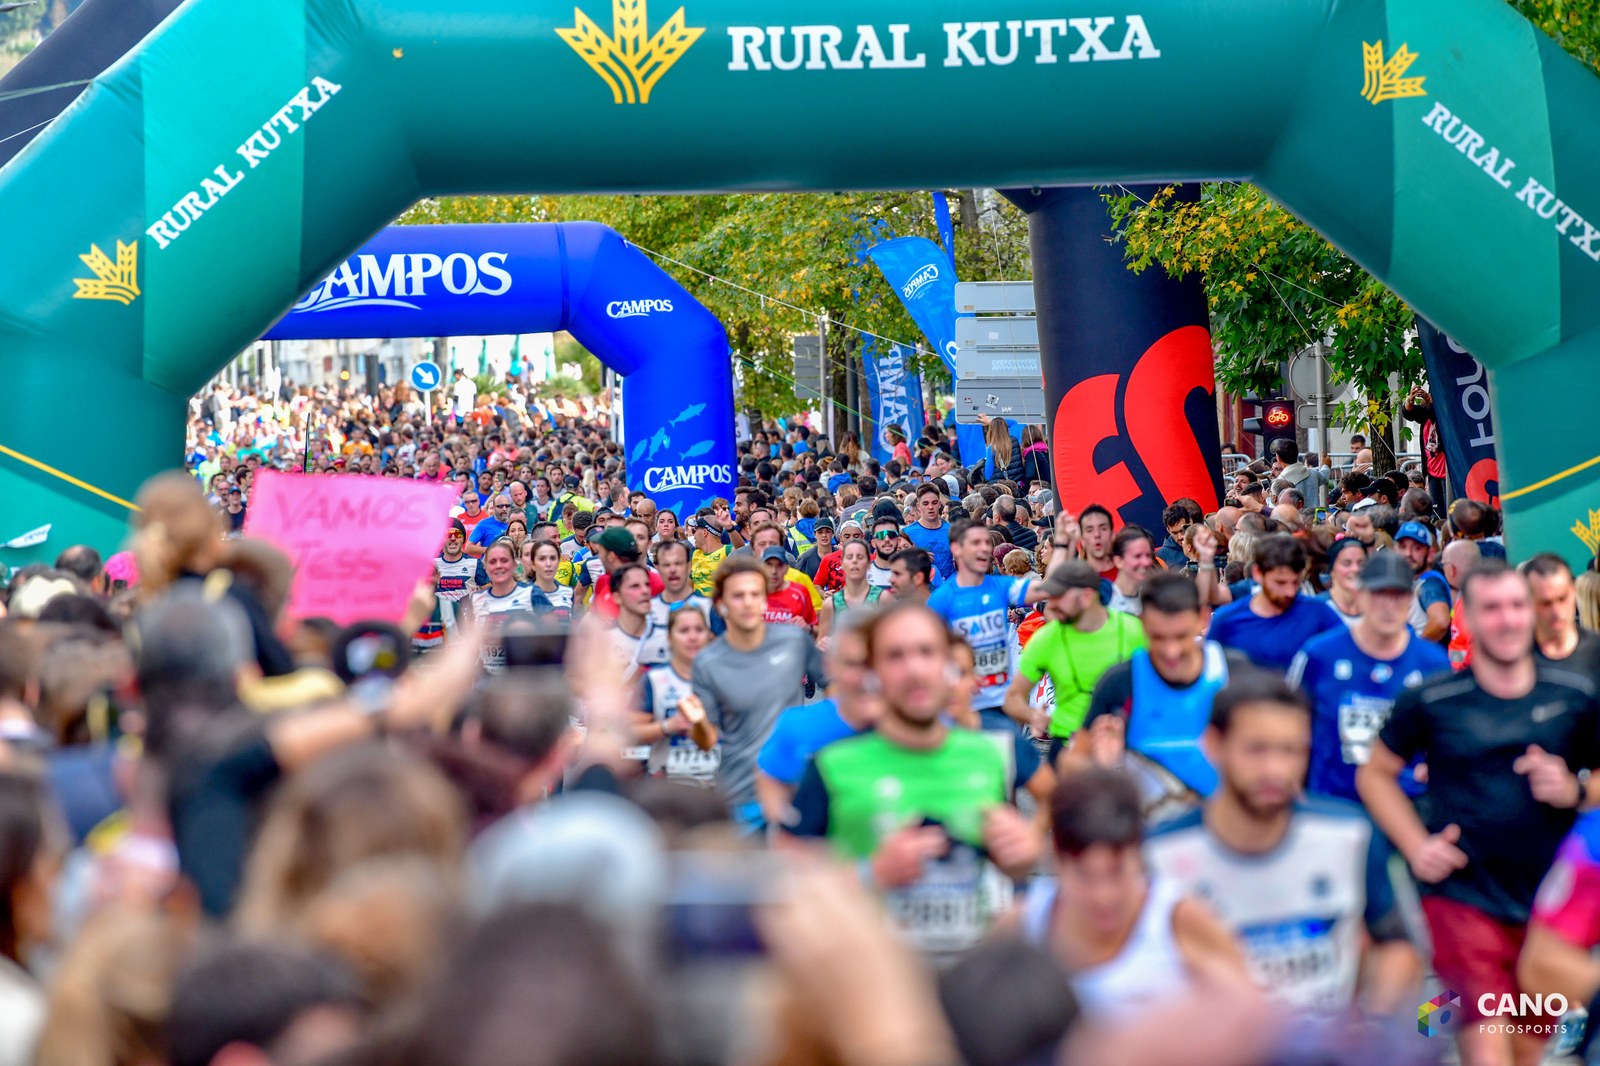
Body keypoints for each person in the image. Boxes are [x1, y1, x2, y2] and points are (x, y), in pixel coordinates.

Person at [1359, 561, 1600, 1066]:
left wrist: (1575, 790)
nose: (1508, 620)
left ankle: (1431, 1024)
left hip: (1545, 910)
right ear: (1469, 617)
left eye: (1517, 606)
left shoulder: (1572, 696)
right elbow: (1375, 774)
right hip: (1462, 897)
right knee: (1488, 1052)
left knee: (1524, 1051)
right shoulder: (1434, 699)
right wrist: (1415, 845)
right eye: (1492, 609)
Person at [1145, 673, 1421, 1013]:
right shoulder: (1160, 857)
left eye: (1291, 751)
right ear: (1214, 745)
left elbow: (1397, 943)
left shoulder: (1351, 836)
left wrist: (1372, 1025)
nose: (1275, 769)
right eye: (1257, 749)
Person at [785, 603, 1043, 961]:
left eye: (927, 652)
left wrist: (1021, 852)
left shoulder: (986, 756)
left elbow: (1002, 876)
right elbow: (785, 892)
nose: (914, 670)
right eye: (895, 656)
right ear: (873, 672)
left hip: (969, 990)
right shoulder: (833, 765)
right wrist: (871, 874)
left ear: (949, 668)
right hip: (874, 991)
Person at [1014, 769, 1253, 1021]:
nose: (1102, 896)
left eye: (1116, 872)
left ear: (1139, 852)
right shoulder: (1023, 924)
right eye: (1084, 875)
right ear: (1057, 861)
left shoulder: (1179, 919)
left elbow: (1252, 1021)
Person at [1069, 574, 1247, 813]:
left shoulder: (1233, 672)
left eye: (1181, 636)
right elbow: (1073, 763)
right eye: (1158, 638)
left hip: (1224, 831)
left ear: (1203, 618)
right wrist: (1101, 768)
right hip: (1149, 836)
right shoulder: (1120, 681)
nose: (1170, 652)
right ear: (1142, 623)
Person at [1288, 551, 1450, 804]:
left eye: (1397, 596)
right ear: (1360, 596)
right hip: (1334, 806)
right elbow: (1290, 727)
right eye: (1378, 595)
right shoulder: (1318, 655)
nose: (1388, 606)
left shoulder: (1433, 663)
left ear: (1409, 599)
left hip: (1406, 806)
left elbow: (1449, 737)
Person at [693, 555, 826, 833]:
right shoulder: (708, 663)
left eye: (755, 594)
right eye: (738, 595)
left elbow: (836, 689)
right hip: (740, 794)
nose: (748, 602)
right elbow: (708, 740)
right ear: (721, 604)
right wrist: (695, 721)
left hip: (794, 790)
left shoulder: (794, 642)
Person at [927, 519, 1056, 733]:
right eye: (976, 543)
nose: (984, 548)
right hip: (964, 709)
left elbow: (1049, 589)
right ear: (956, 549)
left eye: (987, 543)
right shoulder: (941, 599)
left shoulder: (1000, 586)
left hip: (1001, 704)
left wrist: (1061, 550)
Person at [1006, 561, 1144, 761]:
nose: (1050, 605)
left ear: (1087, 597)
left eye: (1058, 597)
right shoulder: (1047, 638)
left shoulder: (1133, 630)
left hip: (1126, 744)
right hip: (1068, 742)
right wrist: (1032, 715)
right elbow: (1012, 698)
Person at [756, 618, 879, 824]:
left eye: (873, 663)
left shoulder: (923, 727)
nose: (865, 677)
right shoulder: (797, 726)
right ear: (830, 666)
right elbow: (770, 785)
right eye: (853, 664)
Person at [1206, 535, 1343, 673]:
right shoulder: (1228, 620)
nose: (1290, 592)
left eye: (1296, 582)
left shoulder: (1319, 613)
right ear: (1257, 573)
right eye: (1280, 582)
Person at [633, 604, 719, 784]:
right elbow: (631, 733)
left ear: (709, 635)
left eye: (699, 630)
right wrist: (668, 726)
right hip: (668, 786)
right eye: (684, 631)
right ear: (670, 637)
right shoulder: (654, 680)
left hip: (716, 785)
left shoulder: (723, 678)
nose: (693, 637)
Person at [469, 539, 551, 672]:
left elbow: (553, 637)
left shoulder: (532, 593)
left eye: (504, 560)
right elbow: (471, 644)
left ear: (514, 564)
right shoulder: (476, 599)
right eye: (492, 562)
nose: (498, 565)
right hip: (488, 680)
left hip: (524, 677)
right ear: (485, 567)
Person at [1526, 552, 1600, 677]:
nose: (1557, 611)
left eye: (1562, 599)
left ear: (1573, 592)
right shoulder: (1515, 659)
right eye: (1546, 603)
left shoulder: (1596, 652)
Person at [415, 519, 477, 653]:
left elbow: (486, 595)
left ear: (463, 539)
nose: (453, 539)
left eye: (457, 534)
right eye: (448, 534)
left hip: (465, 625)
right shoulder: (431, 563)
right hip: (436, 626)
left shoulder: (476, 564)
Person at [649, 538, 721, 636]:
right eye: (666, 565)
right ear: (657, 567)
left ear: (688, 565)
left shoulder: (709, 606)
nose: (673, 570)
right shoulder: (648, 609)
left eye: (678, 563)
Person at [1395, 521, 1451, 644]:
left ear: (1430, 554)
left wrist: (1413, 650)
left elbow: (1440, 622)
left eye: (1417, 548)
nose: (1408, 554)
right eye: (1402, 547)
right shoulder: (1414, 581)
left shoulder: (1430, 585)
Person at [821, 539, 884, 640]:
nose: (854, 561)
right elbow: (821, 644)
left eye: (860, 557)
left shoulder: (883, 598)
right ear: (842, 564)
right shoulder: (830, 604)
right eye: (849, 557)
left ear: (869, 563)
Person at [761, 546, 818, 632]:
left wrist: (808, 628)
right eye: (769, 565)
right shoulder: (751, 592)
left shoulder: (799, 592)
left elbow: (819, 631)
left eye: (779, 565)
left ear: (786, 568)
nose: (774, 571)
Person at [904, 483, 955, 579]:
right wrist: (917, 558)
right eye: (926, 503)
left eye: (934, 503)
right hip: (922, 588)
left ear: (940, 504)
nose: (930, 507)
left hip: (949, 588)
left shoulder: (952, 530)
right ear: (918, 506)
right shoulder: (907, 533)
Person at [1105, 526, 1156, 616]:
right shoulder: (1106, 605)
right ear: (1118, 561)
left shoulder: (1153, 598)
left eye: (1148, 555)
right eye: (1137, 556)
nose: (1146, 562)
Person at [1317, 537, 1366, 626]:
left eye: (1361, 563)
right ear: (1332, 570)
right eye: (1346, 563)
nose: (1355, 569)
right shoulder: (1318, 608)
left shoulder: (1376, 607)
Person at [526, 539, 574, 626]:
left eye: (553, 558)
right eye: (542, 559)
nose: (548, 564)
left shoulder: (568, 592)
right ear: (533, 564)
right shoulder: (522, 594)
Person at [466, 494, 515, 558]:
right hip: (490, 564)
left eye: (507, 506)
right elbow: (468, 548)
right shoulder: (484, 524)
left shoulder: (515, 522)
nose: (504, 509)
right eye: (500, 506)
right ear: (494, 508)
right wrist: (491, 550)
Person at [1078, 504, 1118, 582]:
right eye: (1089, 530)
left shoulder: (1131, 575)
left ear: (1112, 534)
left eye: (1103, 529)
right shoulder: (1074, 582)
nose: (1097, 534)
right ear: (1082, 539)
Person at [866, 515, 903, 589]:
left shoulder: (912, 572)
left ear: (899, 541)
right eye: (881, 535)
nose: (887, 539)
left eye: (891, 534)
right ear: (873, 543)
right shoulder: (863, 574)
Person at [796, 516, 835, 581]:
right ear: (815, 534)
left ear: (833, 534)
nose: (824, 535)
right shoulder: (805, 558)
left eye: (827, 532)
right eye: (820, 532)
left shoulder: (840, 556)